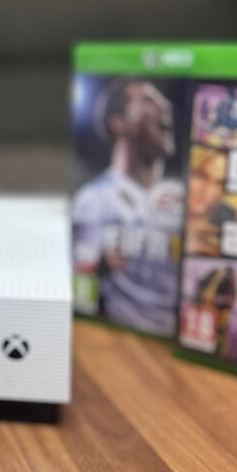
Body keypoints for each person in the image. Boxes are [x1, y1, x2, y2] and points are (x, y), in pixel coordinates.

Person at [73, 79, 183, 336]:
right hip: (122, 335)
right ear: (119, 123)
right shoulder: (95, 200)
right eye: (148, 100)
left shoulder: (183, 199)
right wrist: (99, 266)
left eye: (161, 99)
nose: (165, 105)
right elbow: (79, 281)